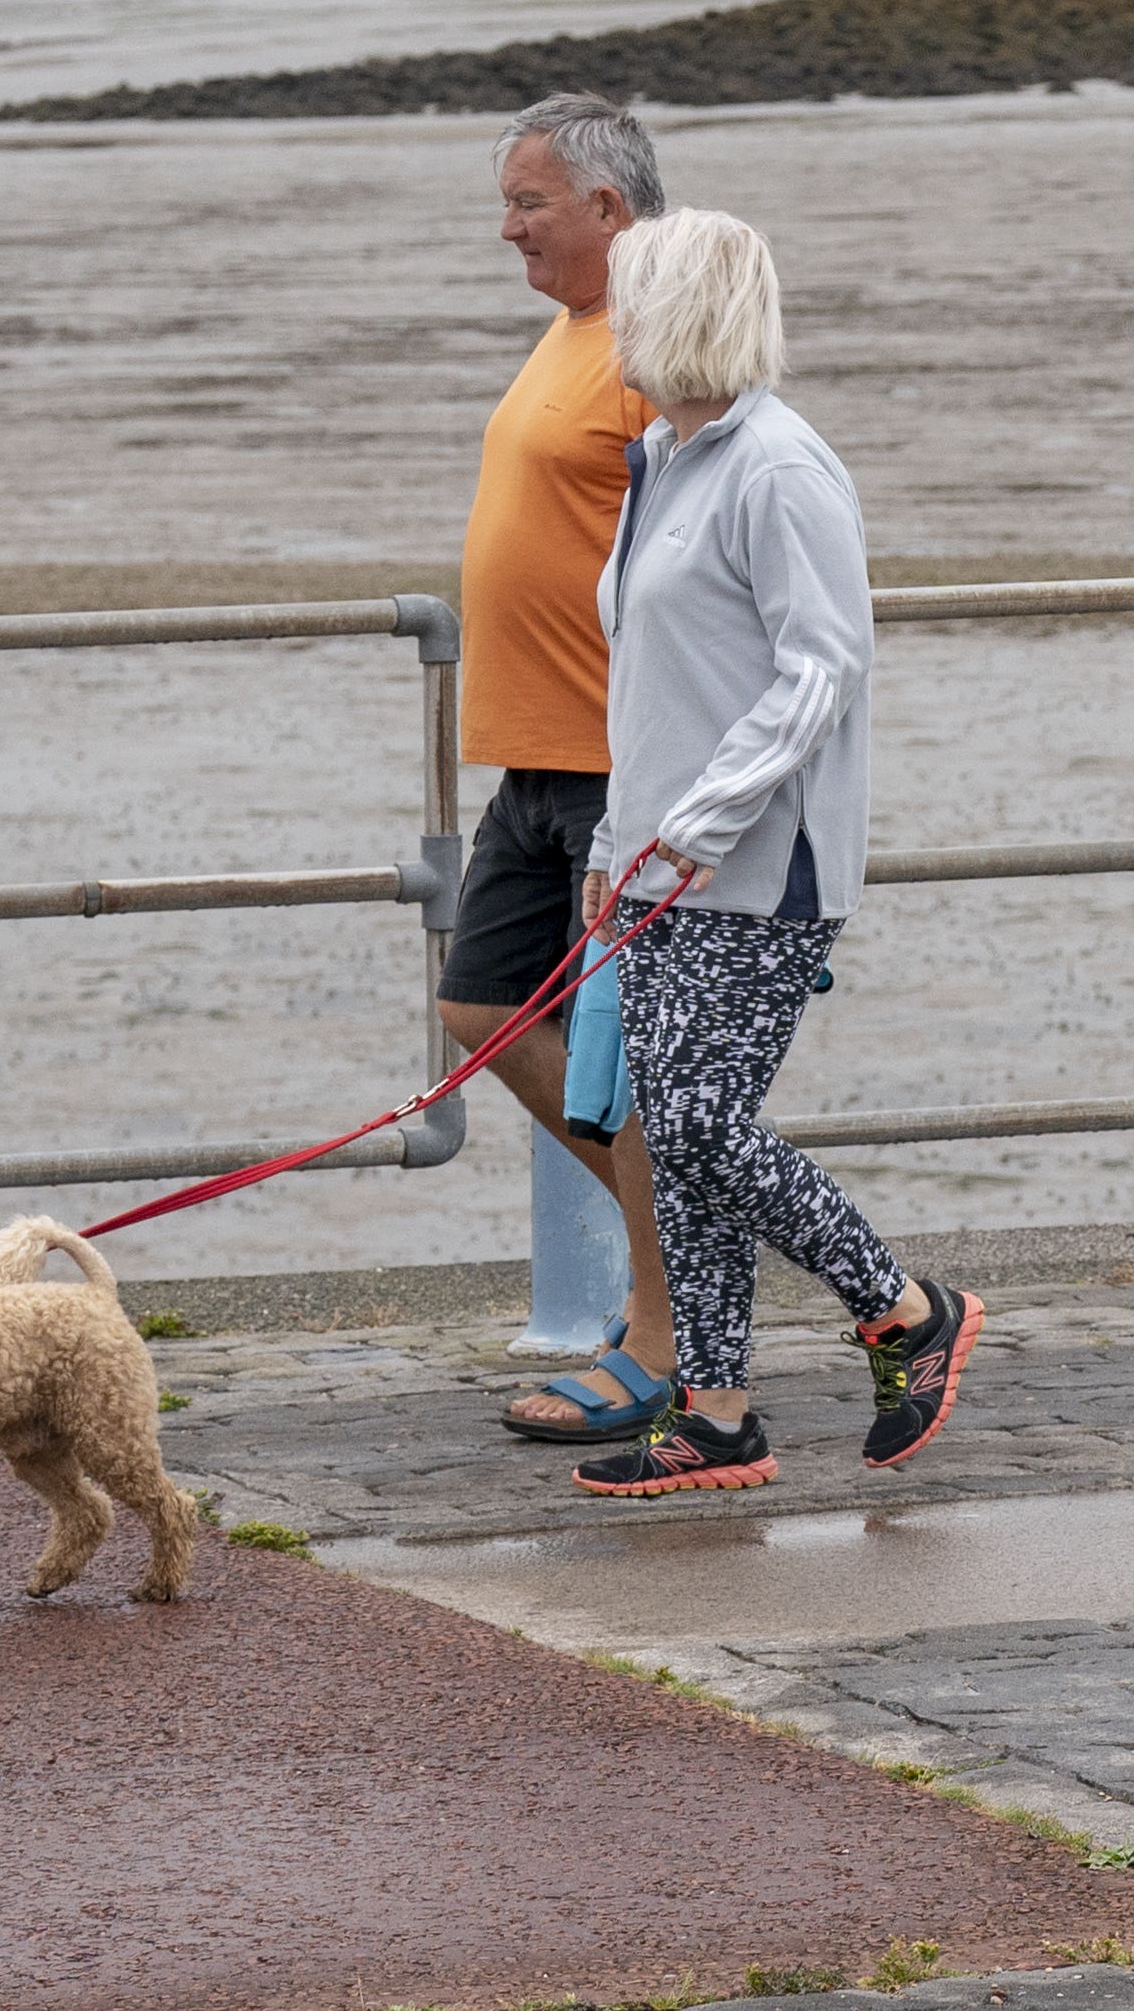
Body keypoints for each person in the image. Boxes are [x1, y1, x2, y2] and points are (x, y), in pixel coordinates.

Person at [563, 207, 983, 1496]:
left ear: (682, 312)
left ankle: (905, 1309)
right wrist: (614, 838)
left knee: (696, 1123)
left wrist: (692, 829)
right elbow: (654, 682)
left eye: (634, 302)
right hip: (659, 869)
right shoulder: (661, 459)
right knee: (685, 1127)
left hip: (763, 866)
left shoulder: (781, 469)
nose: (615, 327)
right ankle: (718, 1405)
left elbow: (821, 670)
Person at [451, 92, 685, 1444]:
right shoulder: (572, 325)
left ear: (607, 206)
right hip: (534, 755)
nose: (508, 227)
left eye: (529, 202)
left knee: (630, 1070)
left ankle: (662, 1336)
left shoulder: (660, 336)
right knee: (478, 1004)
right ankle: (693, 1239)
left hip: (615, 762)